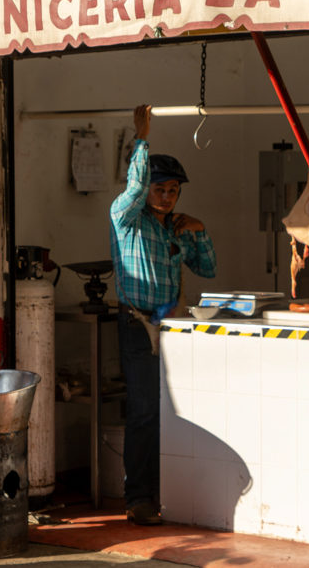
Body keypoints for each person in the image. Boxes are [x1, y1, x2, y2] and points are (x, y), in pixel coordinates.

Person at [110, 104, 217, 525]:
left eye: (173, 190)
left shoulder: (174, 227)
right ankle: (138, 497)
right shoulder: (126, 218)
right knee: (143, 412)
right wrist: (142, 136)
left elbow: (207, 268)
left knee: (171, 413)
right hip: (137, 324)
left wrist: (199, 230)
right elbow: (134, 190)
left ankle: (164, 491)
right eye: (160, 189)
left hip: (172, 327)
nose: (166, 196)